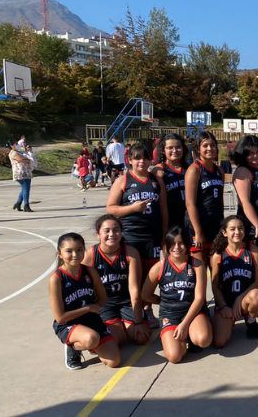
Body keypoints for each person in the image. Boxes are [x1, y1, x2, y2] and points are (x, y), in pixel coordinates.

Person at [106, 143, 168, 326]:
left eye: (145, 158)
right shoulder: (123, 180)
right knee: (133, 275)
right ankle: (134, 310)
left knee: (150, 276)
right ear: (130, 160)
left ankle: (147, 310)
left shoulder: (156, 180)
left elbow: (164, 210)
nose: (141, 161)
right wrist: (132, 208)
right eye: (137, 158)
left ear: (150, 160)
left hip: (152, 236)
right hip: (130, 236)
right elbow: (111, 208)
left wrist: (164, 235)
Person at [50, 233, 120, 370]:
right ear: (60, 254)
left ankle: (90, 342)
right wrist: (88, 308)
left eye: (79, 250)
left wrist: (95, 307)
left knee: (114, 361)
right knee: (91, 338)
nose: (75, 254)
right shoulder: (57, 278)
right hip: (68, 324)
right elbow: (60, 317)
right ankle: (72, 347)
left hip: (91, 321)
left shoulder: (90, 272)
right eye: (69, 251)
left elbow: (102, 299)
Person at [143, 226, 212, 363]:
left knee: (203, 340)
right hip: (170, 314)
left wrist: (184, 324)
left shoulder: (197, 265)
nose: (177, 247)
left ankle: (192, 332)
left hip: (193, 311)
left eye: (181, 243)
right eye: (172, 243)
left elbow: (199, 298)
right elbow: (145, 295)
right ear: (166, 246)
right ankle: (179, 338)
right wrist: (163, 301)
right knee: (174, 357)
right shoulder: (159, 267)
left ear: (187, 244)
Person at [82, 214, 150, 346]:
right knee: (113, 340)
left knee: (141, 337)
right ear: (98, 234)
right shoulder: (90, 255)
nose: (112, 234)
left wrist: (138, 322)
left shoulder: (131, 253)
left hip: (127, 301)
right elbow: (84, 289)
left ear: (121, 232)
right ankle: (118, 327)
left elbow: (134, 289)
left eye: (116, 230)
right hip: (105, 304)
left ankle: (124, 324)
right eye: (106, 231)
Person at [210, 216, 258, 347]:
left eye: (240, 228)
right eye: (232, 229)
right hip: (227, 304)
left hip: (245, 301)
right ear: (224, 233)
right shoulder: (218, 255)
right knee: (219, 342)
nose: (237, 232)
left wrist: (240, 299)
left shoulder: (253, 251)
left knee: (257, 295)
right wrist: (224, 306)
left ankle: (250, 320)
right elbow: (215, 286)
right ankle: (229, 320)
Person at [184, 132, 225, 266]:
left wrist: (222, 224)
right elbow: (190, 203)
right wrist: (198, 231)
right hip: (199, 223)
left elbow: (220, 200)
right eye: (205, 145)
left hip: (215, 223)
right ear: (198, 149)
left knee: (217, 267)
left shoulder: (219, 171)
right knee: (199, 268)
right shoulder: (194, 170)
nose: (209, 148)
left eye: (212, 145)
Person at [151, 134, 189, 230]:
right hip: (170, 221)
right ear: (163, 151)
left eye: (178, 147)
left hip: (189, 220)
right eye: (170, 148)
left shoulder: (190, 169)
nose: (175, 150)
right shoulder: (159, 170)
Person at [8, 139, 34, 212]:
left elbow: (27, 153)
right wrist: (28, 159)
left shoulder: (20, 151)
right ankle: (26, 205)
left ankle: (18, 203)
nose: (18, 145)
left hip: (26, 171)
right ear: (11, 146)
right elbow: (21, 159)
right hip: (20, 172)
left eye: (17, 143)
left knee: (25, 188)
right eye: (15, 144)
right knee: (26, 188)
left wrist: (29, 150)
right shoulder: (13, 153)